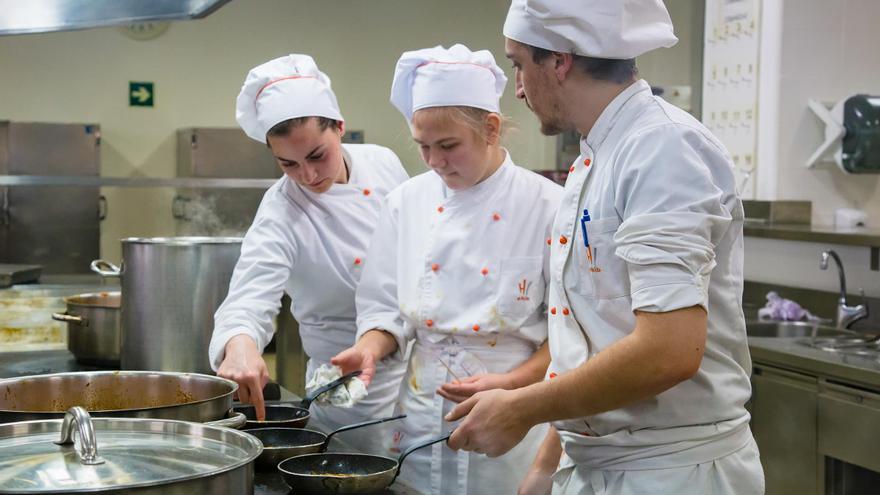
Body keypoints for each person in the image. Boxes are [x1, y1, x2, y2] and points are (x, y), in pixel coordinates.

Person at [445, 2, 765, 494]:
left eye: (518, 64)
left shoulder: (662, 147)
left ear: (559, 60)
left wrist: (524, 408)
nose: (519, 87)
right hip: (604, 464)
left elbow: (670, 350)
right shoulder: (599, 156)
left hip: (670, 474)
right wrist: (544, 468)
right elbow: (591, 339)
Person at [331, 44, 563, 494]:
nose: (435, 161)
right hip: (419, 411)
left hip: (513, 413)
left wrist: (512, 384)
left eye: (448, 146)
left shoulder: (549, 206)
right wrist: (370, 347)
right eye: (423, 147)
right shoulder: (407, 202)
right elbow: (384, 307)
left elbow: (573, 336)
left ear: (491, 129)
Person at [208, 54, 409, 433]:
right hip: (347, 387)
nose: (309, 175)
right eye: (289, 164)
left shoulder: (384, 164)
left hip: (417, 370)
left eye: (318, 155)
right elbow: (248, 296)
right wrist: (239, 344)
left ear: (340, 127)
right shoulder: (281, 209)